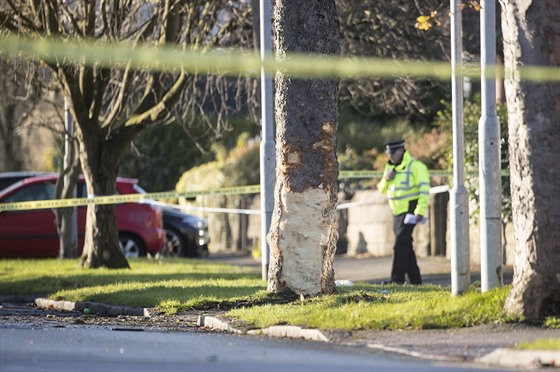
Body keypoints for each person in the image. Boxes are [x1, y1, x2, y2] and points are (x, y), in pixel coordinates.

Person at [377, 139, 430, 285]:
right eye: (388, 153)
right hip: (397, 212)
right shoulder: (390, 169)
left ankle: (397, 279)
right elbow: (381, 189)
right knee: (406, 245)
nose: (390, 156)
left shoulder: (416, 167)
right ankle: (415, 280)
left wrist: (420, 210)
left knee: (400, 244)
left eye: (393, 152)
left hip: (410, 209)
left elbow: (424, 190)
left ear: (401, 150)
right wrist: (386, 179)